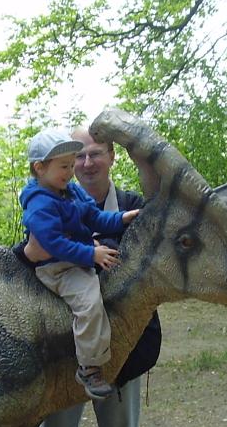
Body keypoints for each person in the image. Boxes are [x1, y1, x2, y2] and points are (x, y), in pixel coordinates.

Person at [24, 128, 162, 427]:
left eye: (94, 154)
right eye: (76, 157)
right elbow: (31, 254)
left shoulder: (132, 206)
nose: (84, 164)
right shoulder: (50, 197)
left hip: (125, 353)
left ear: (112, 157)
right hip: (63, 355)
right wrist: (35, 254)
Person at [20, 127, 140, 400]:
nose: (71, 171)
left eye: (70, 164)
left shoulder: (70, 191)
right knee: (89, 303)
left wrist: (121, 218)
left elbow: (95, 218)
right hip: (59, 268)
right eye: (64, 166)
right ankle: (90, 366)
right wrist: (91, 254)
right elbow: (53, 244)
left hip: (75, 261)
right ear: (39, 168)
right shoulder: (40, 203)